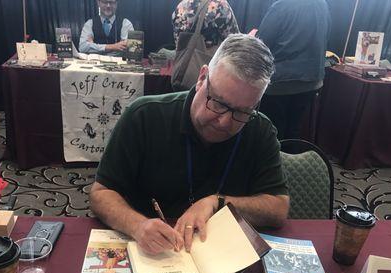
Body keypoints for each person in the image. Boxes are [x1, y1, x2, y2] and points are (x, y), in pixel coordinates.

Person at [90, 34, 289, 255]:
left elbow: (278, 207)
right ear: (202, 77)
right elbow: (101, 193)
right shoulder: (144, 116)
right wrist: (137, 225)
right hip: (154, 253)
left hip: (223, 256)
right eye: (219, 103)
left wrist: (218, 202)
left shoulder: (260, 129)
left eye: (241, 111)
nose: (224, 122)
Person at [256, 0, 330, 140]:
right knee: (293, 130)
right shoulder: (322, 4)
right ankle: (290, 161)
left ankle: (270, 161)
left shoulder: (282, 5)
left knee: (270, 132)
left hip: (280, 81)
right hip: (311, 80)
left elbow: (262, 43)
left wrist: (253, 36)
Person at [172, 0, 239, 49]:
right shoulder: (219, 5)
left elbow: (178, 42)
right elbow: (234, 42)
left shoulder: (180, 7)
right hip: (210, 64)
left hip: (184, 64)